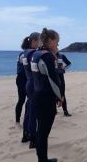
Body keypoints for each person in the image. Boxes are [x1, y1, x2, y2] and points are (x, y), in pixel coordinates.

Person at [32, 28, 63, 162]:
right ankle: (43, 160)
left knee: (41, 131)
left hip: (37, 94)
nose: (57, 45)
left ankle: (42, 159)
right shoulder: (47, 56)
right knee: (44, 132)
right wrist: (61, 96)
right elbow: (53, 80)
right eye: (57, 42)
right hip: (46, 97)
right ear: (50, 41)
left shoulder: (36, 54)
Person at [21, 32, 41, 149]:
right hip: (34, 84)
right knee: (33, 112)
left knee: (29, 110)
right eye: (39, 42)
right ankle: (33, 139)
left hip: (28, 82)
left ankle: (25, 134)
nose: (40, 44)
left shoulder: (25, 52)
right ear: (34, 41)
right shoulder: (33, 53)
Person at [55, 49, 72, 116]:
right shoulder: (49, 55)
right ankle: (54, 110)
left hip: (60, 76)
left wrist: (64, 67)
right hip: (52, 77)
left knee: (62, 94)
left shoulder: (61, 56)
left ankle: (65, 111)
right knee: (53, 94)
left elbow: (69, 63)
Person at [15, 48, 27, 130]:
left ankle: (27, 119)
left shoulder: (30, 53)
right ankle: (17, 122)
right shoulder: (23, 54)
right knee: (21, 100)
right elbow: (25, 68)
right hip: (22, 79)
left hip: (29, 79)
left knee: (31, 101)